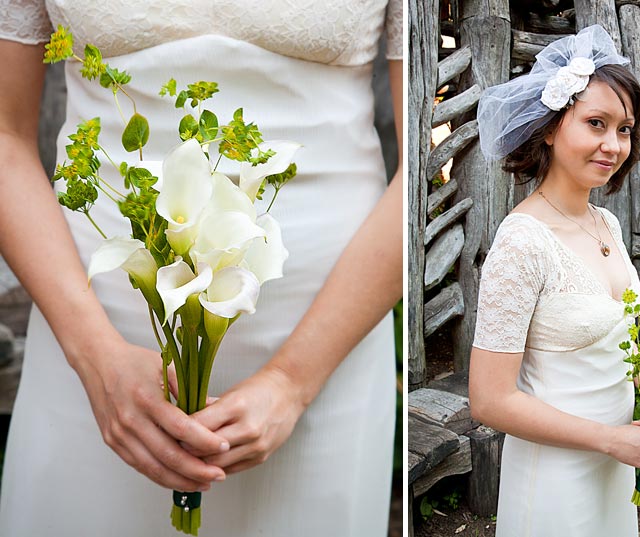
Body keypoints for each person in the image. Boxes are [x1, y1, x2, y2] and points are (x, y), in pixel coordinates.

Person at [0, 1, 402, 536]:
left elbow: (423, 159)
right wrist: (96, 360)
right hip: (94, 348)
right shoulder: (95, 361)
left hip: (326, 351)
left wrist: (292, 382)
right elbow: (4, 136)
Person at [469, 25, 640, 536]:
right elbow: (489, 399)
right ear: (548, 128)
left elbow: (616, 344)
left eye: (625, 129)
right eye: (595, 123)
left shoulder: (605, 223)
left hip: (614, 467)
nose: (613, 144)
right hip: (556, 481)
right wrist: (609, 439)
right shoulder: (523, 241)